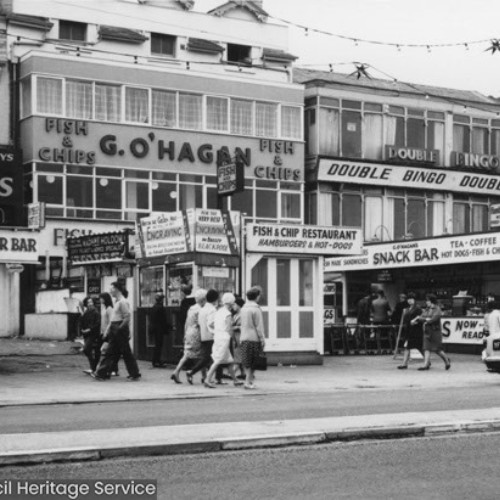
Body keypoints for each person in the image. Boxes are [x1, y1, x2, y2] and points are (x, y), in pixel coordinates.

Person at [93, 281, 141, 381]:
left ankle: (102, 372)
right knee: (113, 351)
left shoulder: (123, 302)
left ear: (117, 289)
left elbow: (127, 317)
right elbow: (114, 318)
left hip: (119, 328)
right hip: (116, 327)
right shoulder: (117, 302)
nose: (110, 291)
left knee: (120, 351)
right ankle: (103, 372)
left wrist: (119, 329)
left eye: (112, 289)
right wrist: (109, 329)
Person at [204, 293, 243, 388]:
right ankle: (207, 379)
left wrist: (216, 330)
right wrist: (234, 339)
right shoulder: (228, 314)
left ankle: (235, 380)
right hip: (224, 338)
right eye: (233, 303)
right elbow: (230, 329)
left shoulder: (219, 311)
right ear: (230, 303)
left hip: (217, 336)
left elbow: (211, 323)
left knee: (229, 360)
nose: (234, 305)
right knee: (218, 360)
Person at [171, 289, 207, 384]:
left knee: (187, 354)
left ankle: (176, 371)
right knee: (203, 355)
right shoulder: (201, 310)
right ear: (203, 299)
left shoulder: (191, 308)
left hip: (189, 332)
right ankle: (204, 376)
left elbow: (186, 323)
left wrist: (185, 333)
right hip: (197, 333)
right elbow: (201, 323)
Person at [186, 289, 219, 384]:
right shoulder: (212, 309)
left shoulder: (203, 309)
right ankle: (193, 372)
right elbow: (212, 323)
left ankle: (207, 377)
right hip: (210, 336)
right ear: (215, 299)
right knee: (208, 358)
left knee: (207, 357)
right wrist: (215, 331)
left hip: (203, 335)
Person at [240, 286, 266, 390]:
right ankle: (248, 382)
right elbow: (259, 326)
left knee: (247, 361)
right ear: (257, 296)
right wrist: (262, 338)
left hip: (244, 337)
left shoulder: (243, 308)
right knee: (254, 361)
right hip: (254, 338)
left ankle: (249, 381)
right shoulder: (256, 309)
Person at [416, 294, 451, 371]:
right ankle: (425, 365)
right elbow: (422, 316)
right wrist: (425, 319)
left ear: (431, 301)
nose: (426, 302)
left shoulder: (437, 309)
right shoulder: (427, 309)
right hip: (427, 330)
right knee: (426, 348)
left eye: (428, 300)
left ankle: (446, 361)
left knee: (437, 349)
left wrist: (424, 320)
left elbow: (434, 318)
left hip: (435, 331)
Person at [397, 292, 423, 369]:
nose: (409, 300)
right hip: (409, 331)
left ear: (414, 300)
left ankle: (427, 361)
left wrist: (416, 322)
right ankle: (404, 364)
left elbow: (421, 318)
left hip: (416, 331)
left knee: (419, 347)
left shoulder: (418, 309)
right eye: (408, 299)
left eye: (411, 299)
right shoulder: (408, 309)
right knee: (408, 347)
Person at [99, 292, 119, 377]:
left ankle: (112, 369)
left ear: (105, 299)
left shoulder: (109, 309)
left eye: (101, 298)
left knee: (109, 351)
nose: (100, 299)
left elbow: (111, 322)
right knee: (109, 351)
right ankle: (111, 369)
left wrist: (106, 332)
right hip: (104, 332)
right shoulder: (104, 308)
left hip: (109, 333)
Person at [80, 297, 101, 374]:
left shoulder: (95, 312)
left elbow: (97, 323)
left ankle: (93, 366)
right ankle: (93, 367)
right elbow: (82, 322)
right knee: (88, 350)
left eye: (91, 302)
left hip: (93, 334)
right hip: (86, 334)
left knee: (86, 349)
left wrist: (89, 329)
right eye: (88, 302)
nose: (90, 304)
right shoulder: (86, 312)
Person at [150, 293, 169, 368]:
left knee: (157, 345)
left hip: (154, 328)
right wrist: (169, 327)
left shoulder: (154, 307)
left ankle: (155, 361)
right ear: (161, 299)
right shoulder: (161, 308)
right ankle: (157, 361)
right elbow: (163, 320)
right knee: (159, 345)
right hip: (159, 329)